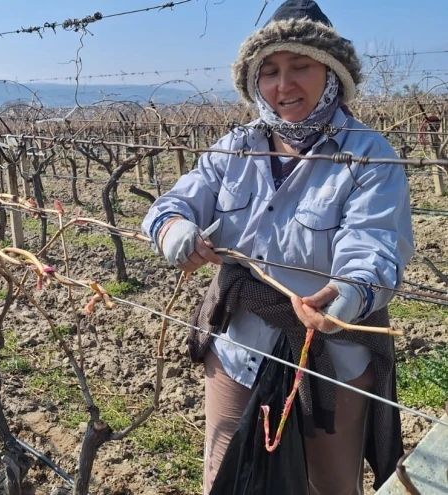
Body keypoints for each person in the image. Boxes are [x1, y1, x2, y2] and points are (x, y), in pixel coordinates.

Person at [142, 1, 414, 494]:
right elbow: (174, 203)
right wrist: (174, 230)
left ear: (332, 73)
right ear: (254, 82)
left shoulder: (369, 154)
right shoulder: (236, 148)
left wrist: (345, 299)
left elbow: (375, 246)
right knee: (227, 473)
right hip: (238, 345)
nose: (283, 85)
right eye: (268, 71)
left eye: (300, 66)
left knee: (329, 483)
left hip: (332, 353)